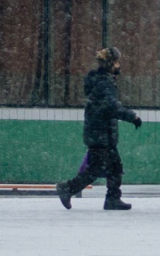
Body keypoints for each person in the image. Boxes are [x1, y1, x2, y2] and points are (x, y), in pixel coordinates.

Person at [57, 46, 142, 211]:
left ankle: (112, 199)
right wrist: (132, 116)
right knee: (96, 169)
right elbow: (112, 107)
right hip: (100, 134)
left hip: (101, 133)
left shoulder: (99, 80)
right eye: (117, 63)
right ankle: (67, 188)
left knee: (115, 167)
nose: (119, 66)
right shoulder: (104, 83)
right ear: (110, 64)